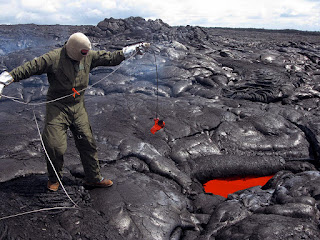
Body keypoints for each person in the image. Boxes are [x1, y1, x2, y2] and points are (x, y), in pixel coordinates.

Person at [0, 32, 149, 191]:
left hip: (77, 107)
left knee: (87, 143)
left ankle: (93, 178)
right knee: (54, 145)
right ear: (72, 49)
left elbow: (111, 58)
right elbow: (29, 67)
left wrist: (131, 51)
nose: (85, 56)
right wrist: (4, 80)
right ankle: (54, 179)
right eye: (82, 53)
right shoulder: (53, 58)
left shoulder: (88, 56)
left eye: (87, 53)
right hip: (58, 107)